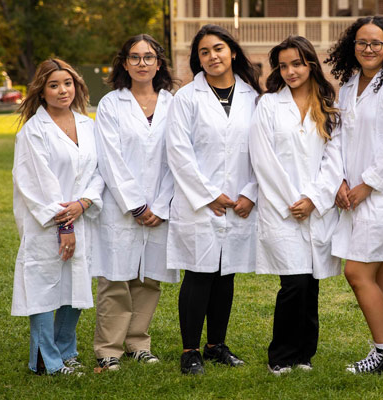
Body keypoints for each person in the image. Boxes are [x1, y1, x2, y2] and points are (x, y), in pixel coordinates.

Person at [325, 15, 383, 374]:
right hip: (352, 193)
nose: (368, 49)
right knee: (380, 275)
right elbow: (338, 136)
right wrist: (340, 182)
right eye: (362, 43)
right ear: (353, 46)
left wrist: (368, 183)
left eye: (376, 43)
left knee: (357, 273)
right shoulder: (348, 86)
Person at [165, 24, 261, 375]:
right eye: (204, 52)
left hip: (238, 201)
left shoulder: (253, 97)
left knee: (226, 275)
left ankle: (216, 345)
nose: (212, 56)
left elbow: (262, 151)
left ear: (232, 52)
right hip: (199, 202)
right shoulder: (187, 97)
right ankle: (190, 351)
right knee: (199, 273)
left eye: (218, 49)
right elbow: (178, 150)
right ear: (198, 59)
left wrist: (250, 192)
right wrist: (208, 195)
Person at [250, 36, 343, 375]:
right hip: (282, 209)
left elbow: (335, 158)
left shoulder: (327, 105)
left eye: (297, 64)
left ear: (311, 64)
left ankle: (304, 353)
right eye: (284, 65)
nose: (290, 71)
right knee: (294, 283)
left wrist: (315, 199)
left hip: (317, 209)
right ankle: (280, 355)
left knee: (312, 282)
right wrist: (294, 201)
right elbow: (263, 159)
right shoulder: (269, 106)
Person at [91, 34, 179, 371]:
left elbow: (179, 157)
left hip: (161, 206)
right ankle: (108, 349)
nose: (142, 63)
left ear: (159, 63)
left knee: (148, 279)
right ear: (124, 63)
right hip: (121, 206)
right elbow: (109, 158)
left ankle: (138, 343)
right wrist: (137, 205)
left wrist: (160, 204)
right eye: (135, 57)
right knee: (116, 279)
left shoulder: (173, 103)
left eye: (148, 57)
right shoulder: (112, 104)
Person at [12, 58, 104, 375]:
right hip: (47, 224)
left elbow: (99, 171)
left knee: (75, 289)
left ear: (76, 85)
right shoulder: (33, 133)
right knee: (43, 287)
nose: (62, 90)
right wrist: (64, 222)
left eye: (67, 83)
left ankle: (66, 351)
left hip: (83, 216)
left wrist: (85, 201)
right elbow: (37, 183)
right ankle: (45, 360)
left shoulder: (88, 125)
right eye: (54, 85)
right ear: (42, 91)